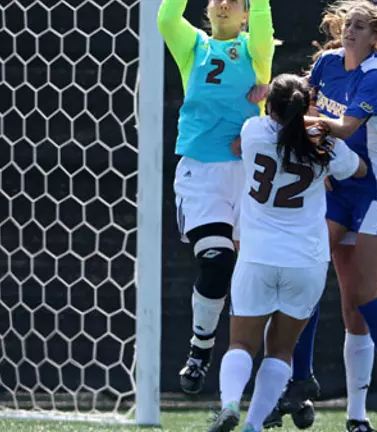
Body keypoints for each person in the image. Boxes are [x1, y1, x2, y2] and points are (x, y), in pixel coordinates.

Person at [280, 1, 377, 430]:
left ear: (376, 38)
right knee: (307, 272)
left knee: (360, 296)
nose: (352, 32)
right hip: (338, 186)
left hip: (376, 188)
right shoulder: (326, 64)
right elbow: (310, 103)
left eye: (361, 27)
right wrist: (283, 101)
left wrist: (288, 118)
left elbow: (342, 129)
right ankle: (301, 381)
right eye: (349, 25)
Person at [208, 73, 367, 432]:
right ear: (305, 106)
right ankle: (252, 425)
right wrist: (323, 127)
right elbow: (359, 169)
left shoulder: (253, 132)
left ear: (270, 107)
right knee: (280, 351)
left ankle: (231, 402)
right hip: (306, 260)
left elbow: (253, 135)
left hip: (258, 255)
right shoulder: (323, 142)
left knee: (240, 343)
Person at [157, 0, 275, 394]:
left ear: (245, 13)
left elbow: (262, 17)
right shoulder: (194, 47)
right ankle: (200, 349)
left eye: (236, 1)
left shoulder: (256, 50)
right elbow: (167, 18)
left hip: (248, 172)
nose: (224, 4)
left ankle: (275, 380)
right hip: (201, 173)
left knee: (255, 277)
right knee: (217, 259)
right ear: (207, 9)